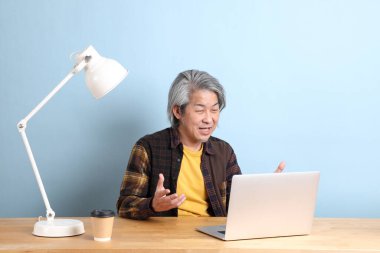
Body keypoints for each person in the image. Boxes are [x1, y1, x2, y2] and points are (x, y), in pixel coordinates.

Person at [117, 69, 285, 220]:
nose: (209, 119)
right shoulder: (147, 148)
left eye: (214, 110)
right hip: (164, 240)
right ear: (177, 111)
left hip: (213, 240)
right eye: (199, 110)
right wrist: (153, 205)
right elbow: (124, 206)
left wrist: (266, 192)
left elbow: (241, 205)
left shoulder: (224, 152)